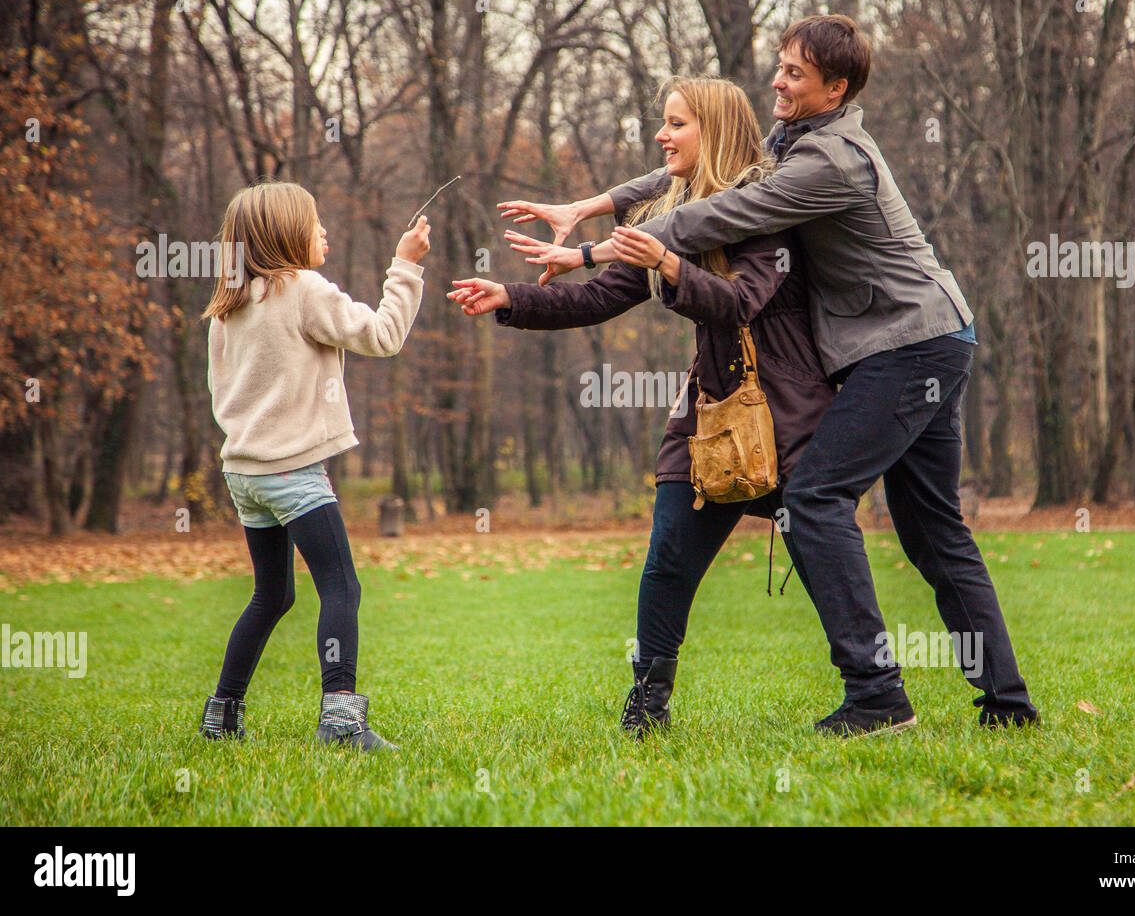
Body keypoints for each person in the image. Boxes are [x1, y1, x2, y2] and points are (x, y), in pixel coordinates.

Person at [498, 15, 1039, 736]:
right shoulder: (792, 142)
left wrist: (596, 252)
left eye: (795, 74)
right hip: (924, 338)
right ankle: (1007, 706)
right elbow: (684, 173)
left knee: (815, 498)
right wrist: (588, 206)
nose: (777, 82)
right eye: (779, 67)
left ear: (835, 88)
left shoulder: (829, 162)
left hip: (911, 344)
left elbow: (717, 212)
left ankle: (877, 697)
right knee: (935, 534)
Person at [451, 77, 835, 738]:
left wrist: (670, 263)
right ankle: (647, 704)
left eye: (677, 124)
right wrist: (509, 299)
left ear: (711, 129)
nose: (662, 136)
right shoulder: (667, 209)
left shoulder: (767, 209)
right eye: (663, 123)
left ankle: (873, 687)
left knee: (828, 558)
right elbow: (599, 297)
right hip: (709, 412)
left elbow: (741, 301)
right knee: (666, 562)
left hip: (785, 417)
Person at [200, 181, 430, 751]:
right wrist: (405, 266)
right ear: (284, 235)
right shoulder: (302, 289)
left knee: (272, 595)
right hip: (292, 472)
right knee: (341, 588)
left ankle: (222, 714)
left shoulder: (227, 306)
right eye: (315, 222)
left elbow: (220, 393)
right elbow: (383, 335)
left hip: (245, 475)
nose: (323, 231)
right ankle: (341, 722)